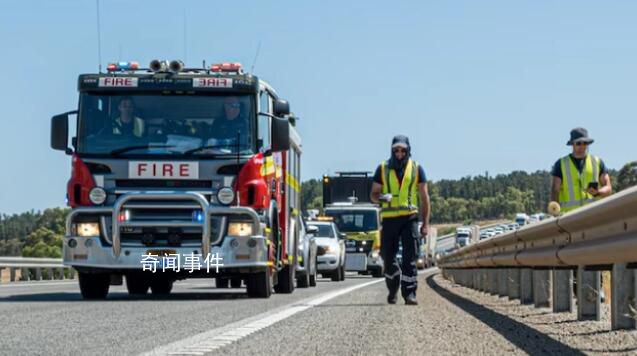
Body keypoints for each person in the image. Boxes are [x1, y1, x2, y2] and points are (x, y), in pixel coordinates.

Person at [371, 135, 430, 305]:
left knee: (409, 257)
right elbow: (373, 195)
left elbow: (425, 198)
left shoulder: (417, 169)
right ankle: (393, 286)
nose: (399, 153)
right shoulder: (382, 169)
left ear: (408, 150)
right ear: (391, 150)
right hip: (389, 220)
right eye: (396, 150)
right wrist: (382, 197)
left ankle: (410, 293)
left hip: (409, 218)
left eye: (402, 150)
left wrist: (425, 224)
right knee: (387, 257)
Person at [550, 127, 612, 214]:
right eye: (579, 143)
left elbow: (608, 188)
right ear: (572, 144)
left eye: (585, 143)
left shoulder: (597, 162)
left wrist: (598, 192)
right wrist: (555, 212)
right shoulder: (561, 164)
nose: (582, 146)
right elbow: (554, 190)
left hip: (593, 215)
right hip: (569, 217)